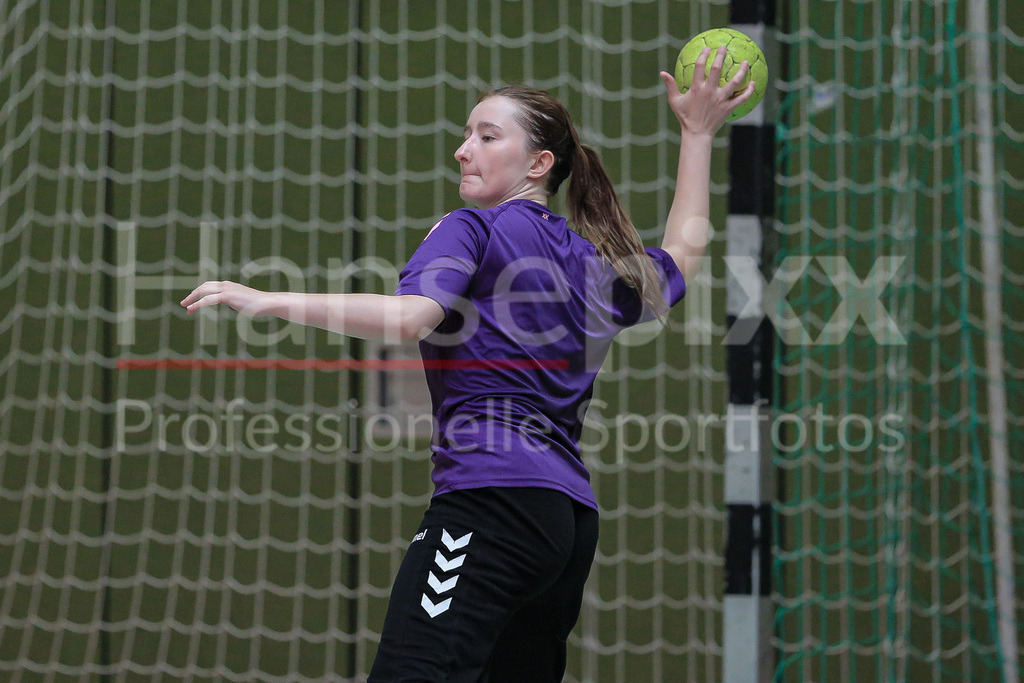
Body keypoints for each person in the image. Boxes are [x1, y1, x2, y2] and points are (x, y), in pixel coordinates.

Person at [182, 46, 753, 682]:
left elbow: (408, 319)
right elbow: (682, 257)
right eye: (465, 134)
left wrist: (266, 299)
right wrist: (697, 134)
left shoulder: (472, 228)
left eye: (486, 135)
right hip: (566, 527)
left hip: (492, 500)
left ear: (539, 163)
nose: (464, 148)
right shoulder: (590, 262)